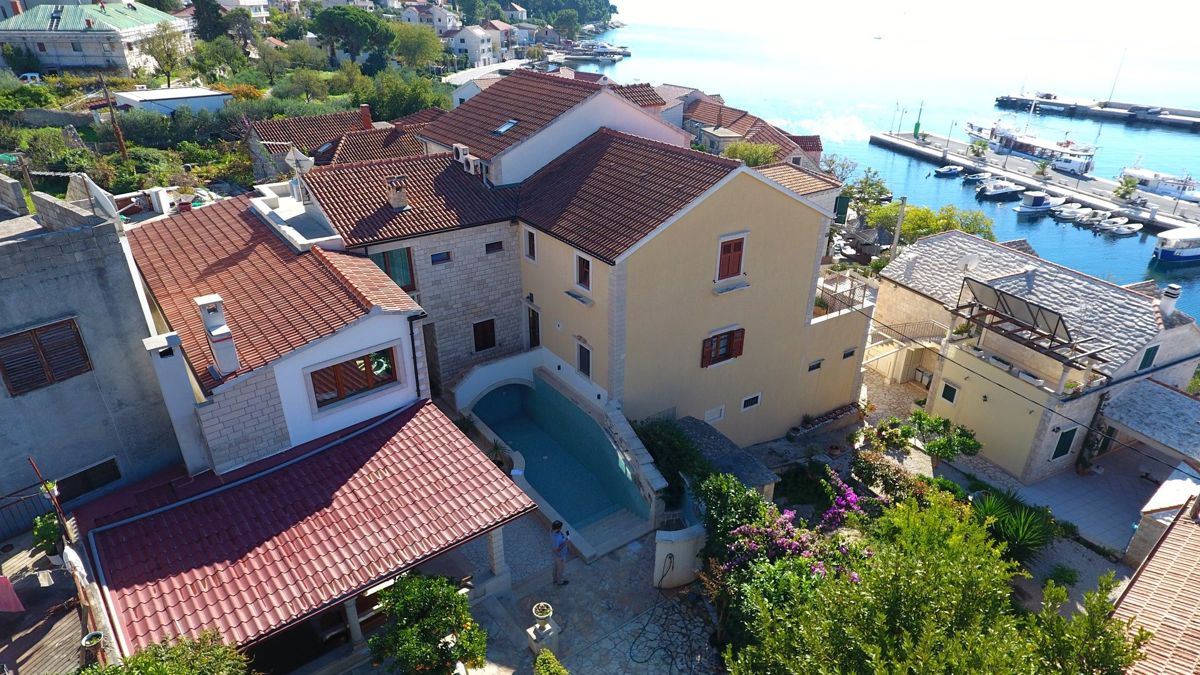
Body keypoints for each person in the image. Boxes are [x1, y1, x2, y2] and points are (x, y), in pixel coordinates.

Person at [550, 520, 569, 586]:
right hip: (560, 556)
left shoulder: (552, 531)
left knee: (556, 567)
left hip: (556, 556)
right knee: (560, 569)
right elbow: (557, 549)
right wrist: (565, 542)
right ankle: (560, 582)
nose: (561, 528)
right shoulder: (556, 539)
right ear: (558, 528)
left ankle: (555, 579)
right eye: (560, 527)